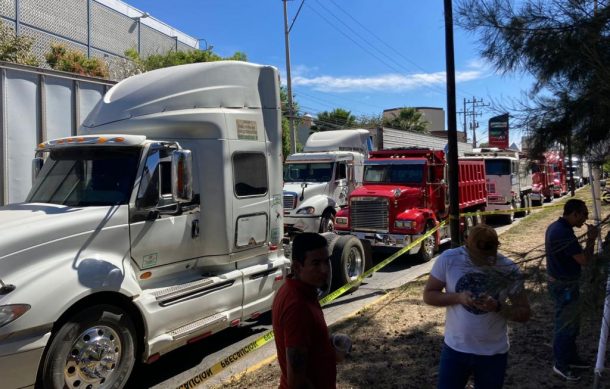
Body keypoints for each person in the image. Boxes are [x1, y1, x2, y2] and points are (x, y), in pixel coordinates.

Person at [423, 224, 531, 389]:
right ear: (467, 245)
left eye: (488, 255)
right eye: (479, 256)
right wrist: (458, 297)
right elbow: (429, 295)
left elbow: (524, 313)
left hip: (493, 353)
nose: (484, 261)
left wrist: (497, 307)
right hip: (455, 350)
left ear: (496, 247)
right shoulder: (449, 259)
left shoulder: (508, 268)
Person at [272, 232, 350, 389]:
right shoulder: (297, 306)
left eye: (326, 261)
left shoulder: (299, 290)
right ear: (297, 267)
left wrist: (329, 345)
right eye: (315, 263)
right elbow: (297, 383)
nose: (325, 270)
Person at [545, 198, 598, 381]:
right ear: (574, 213)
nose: (586, 218)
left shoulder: (557, 227)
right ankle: (561, 364)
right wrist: (591, 239)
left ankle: (571, 357)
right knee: (565, 325)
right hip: (563, 286)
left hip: (563, 282)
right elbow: (584, 260)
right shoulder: (562, 233)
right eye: (584, 214)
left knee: (572, 323)